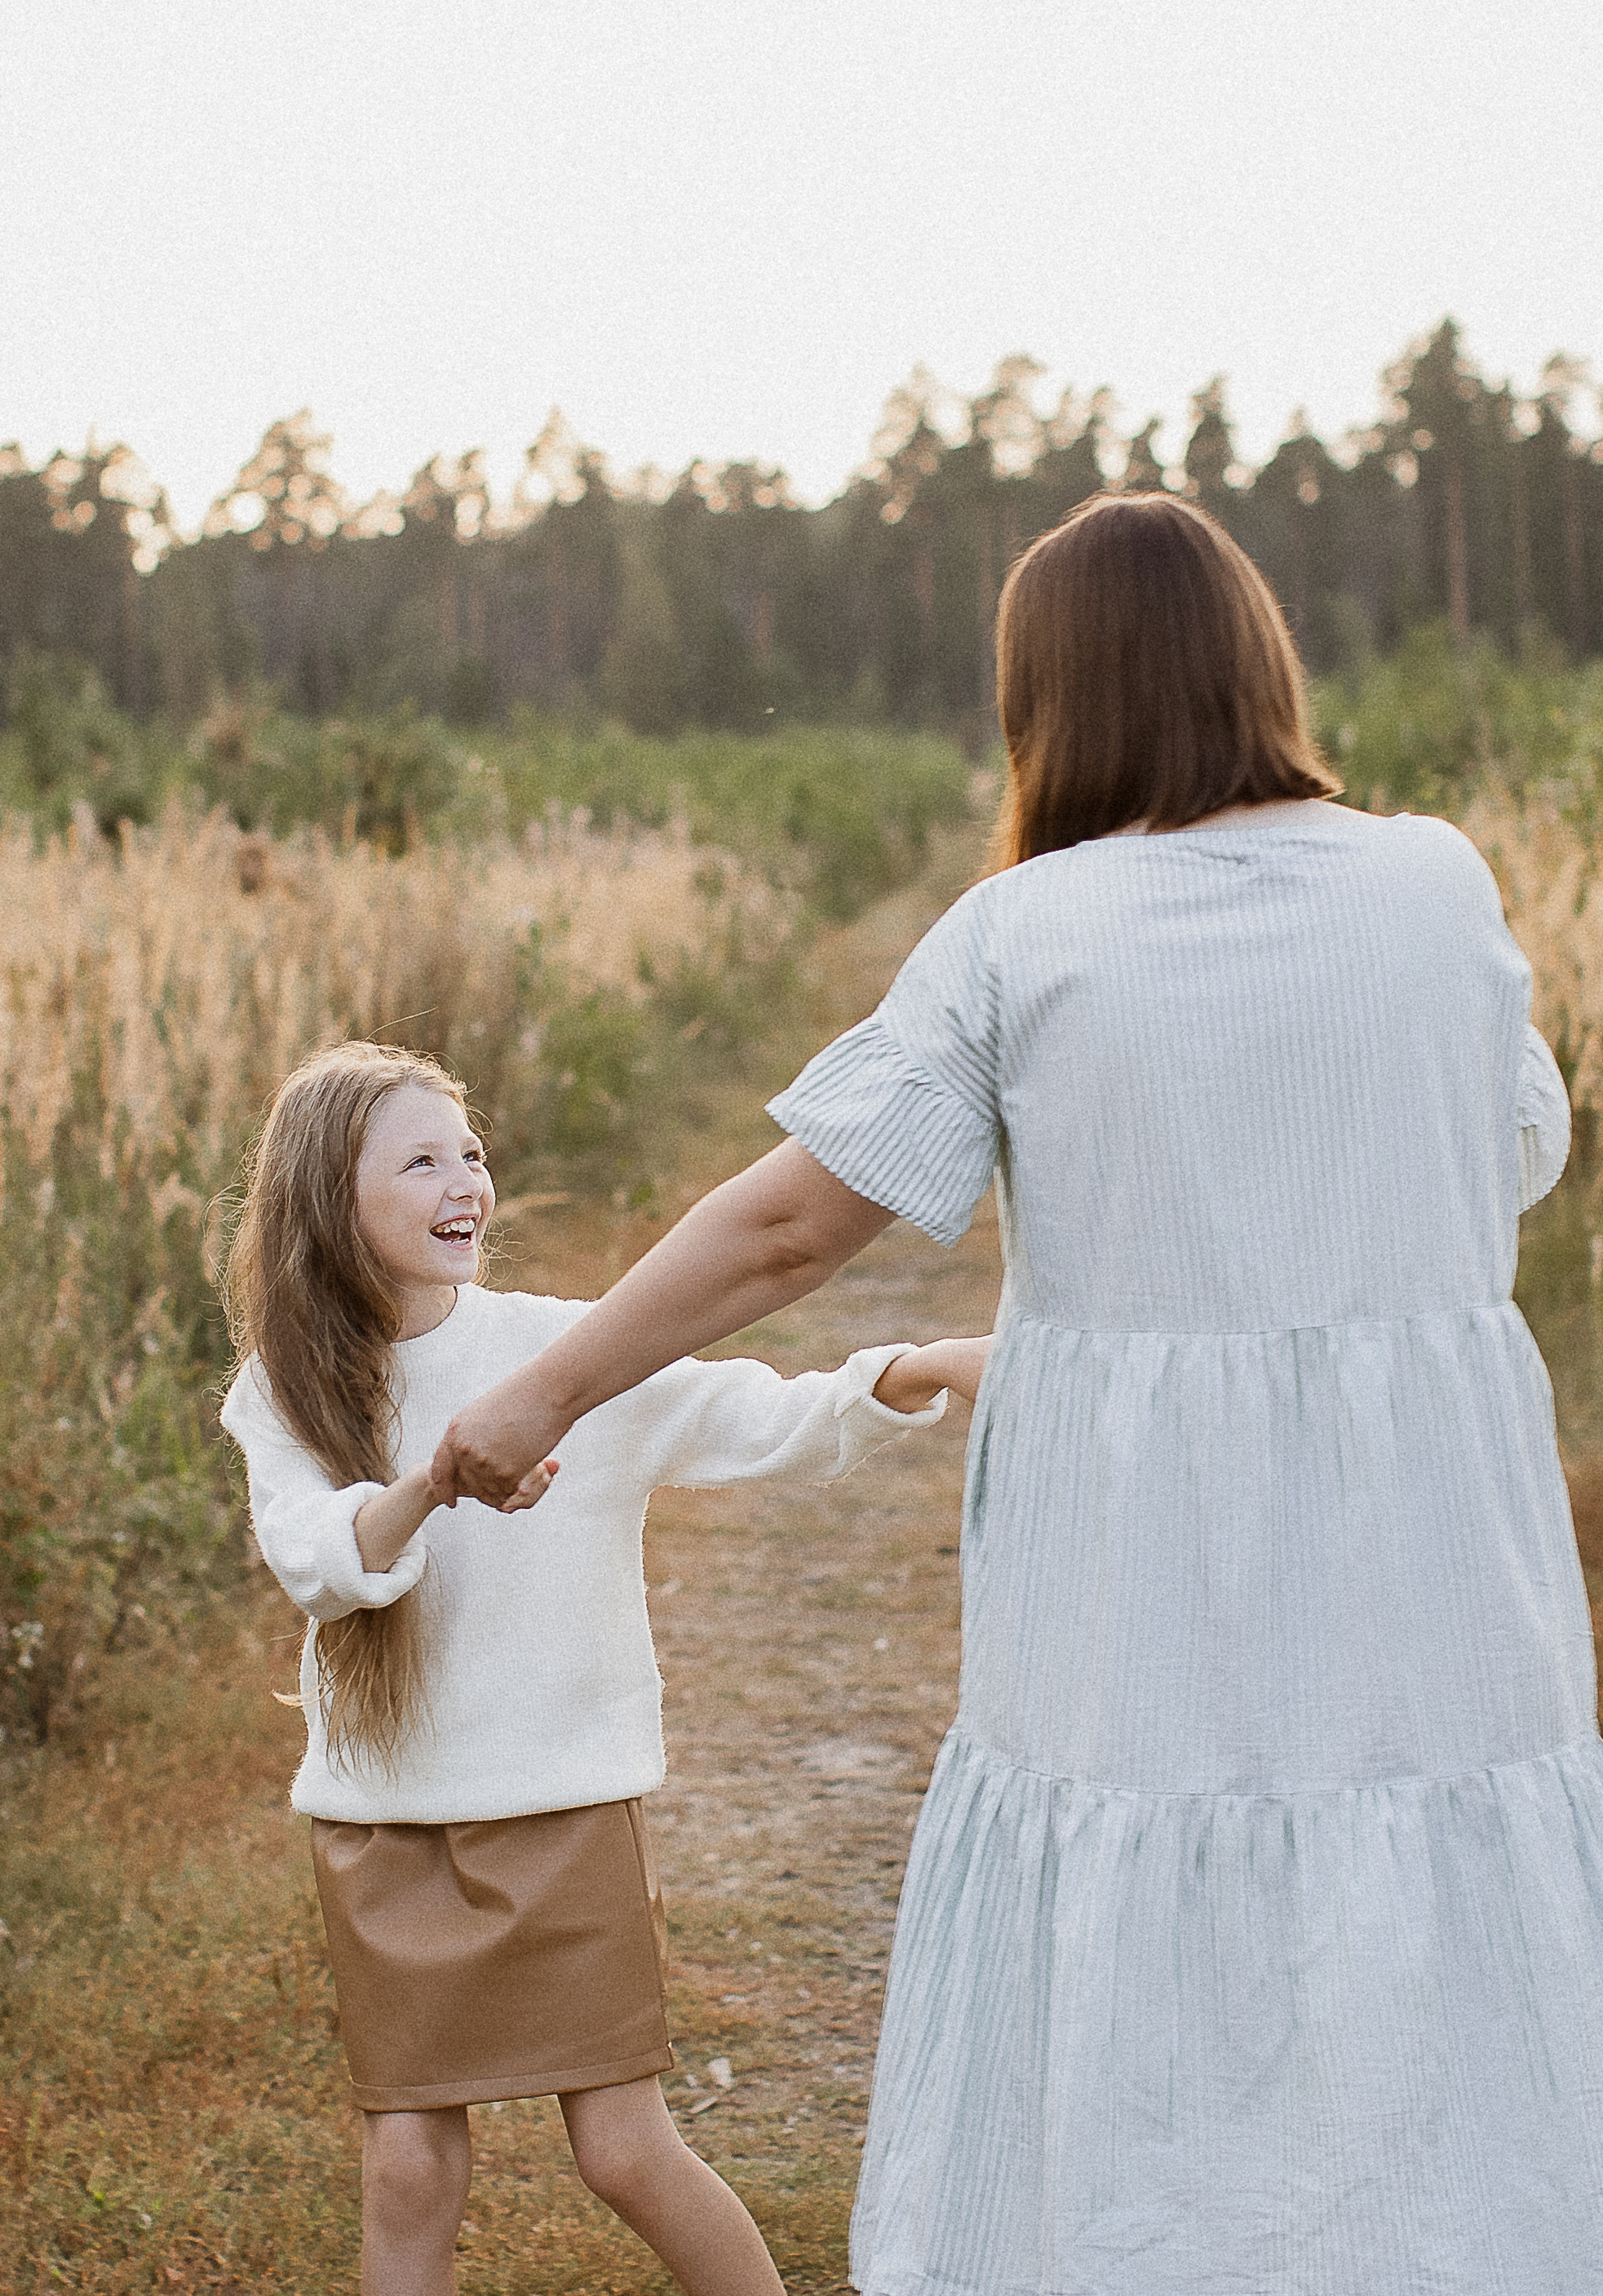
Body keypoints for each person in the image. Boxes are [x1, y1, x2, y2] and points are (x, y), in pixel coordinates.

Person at [433, 491, 1603, 2294]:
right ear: (1254, 659)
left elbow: (782, 1232)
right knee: (1424, 1888)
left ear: (1042, 698)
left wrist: (546, 1391)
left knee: (1149, 1899)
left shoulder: (1027, 927)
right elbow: (1514, 1151)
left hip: (1146, 1549)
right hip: (1430, 1535)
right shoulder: (1437, 880)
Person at [218, 1038, 988, 2296]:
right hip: (385, 1827)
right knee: (406, 2165)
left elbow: (762, 1414)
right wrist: (434, 1480)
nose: (466, 1179)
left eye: (469, 1152)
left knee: (624, 2150)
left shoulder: (568, 1354)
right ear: (325, 1198)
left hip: (559, 1806)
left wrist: (913, 1368)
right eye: (421, 1160)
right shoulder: (284, 1389)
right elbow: (314, 1559)